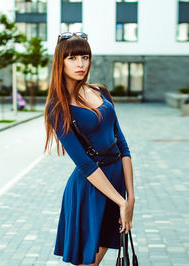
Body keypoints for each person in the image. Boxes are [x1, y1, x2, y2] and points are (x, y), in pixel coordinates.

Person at [43, 32, 135, 266]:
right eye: (72, 58)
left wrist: (130, 197)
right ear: (60, 62)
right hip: (90, 187)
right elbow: (84, 163)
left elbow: (122, 144)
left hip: (116, 183)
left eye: (85, 57)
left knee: (98, 255)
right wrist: (121, 202)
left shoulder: (100, 92)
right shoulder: (58, 107)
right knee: (89, 262)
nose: (80, 64)